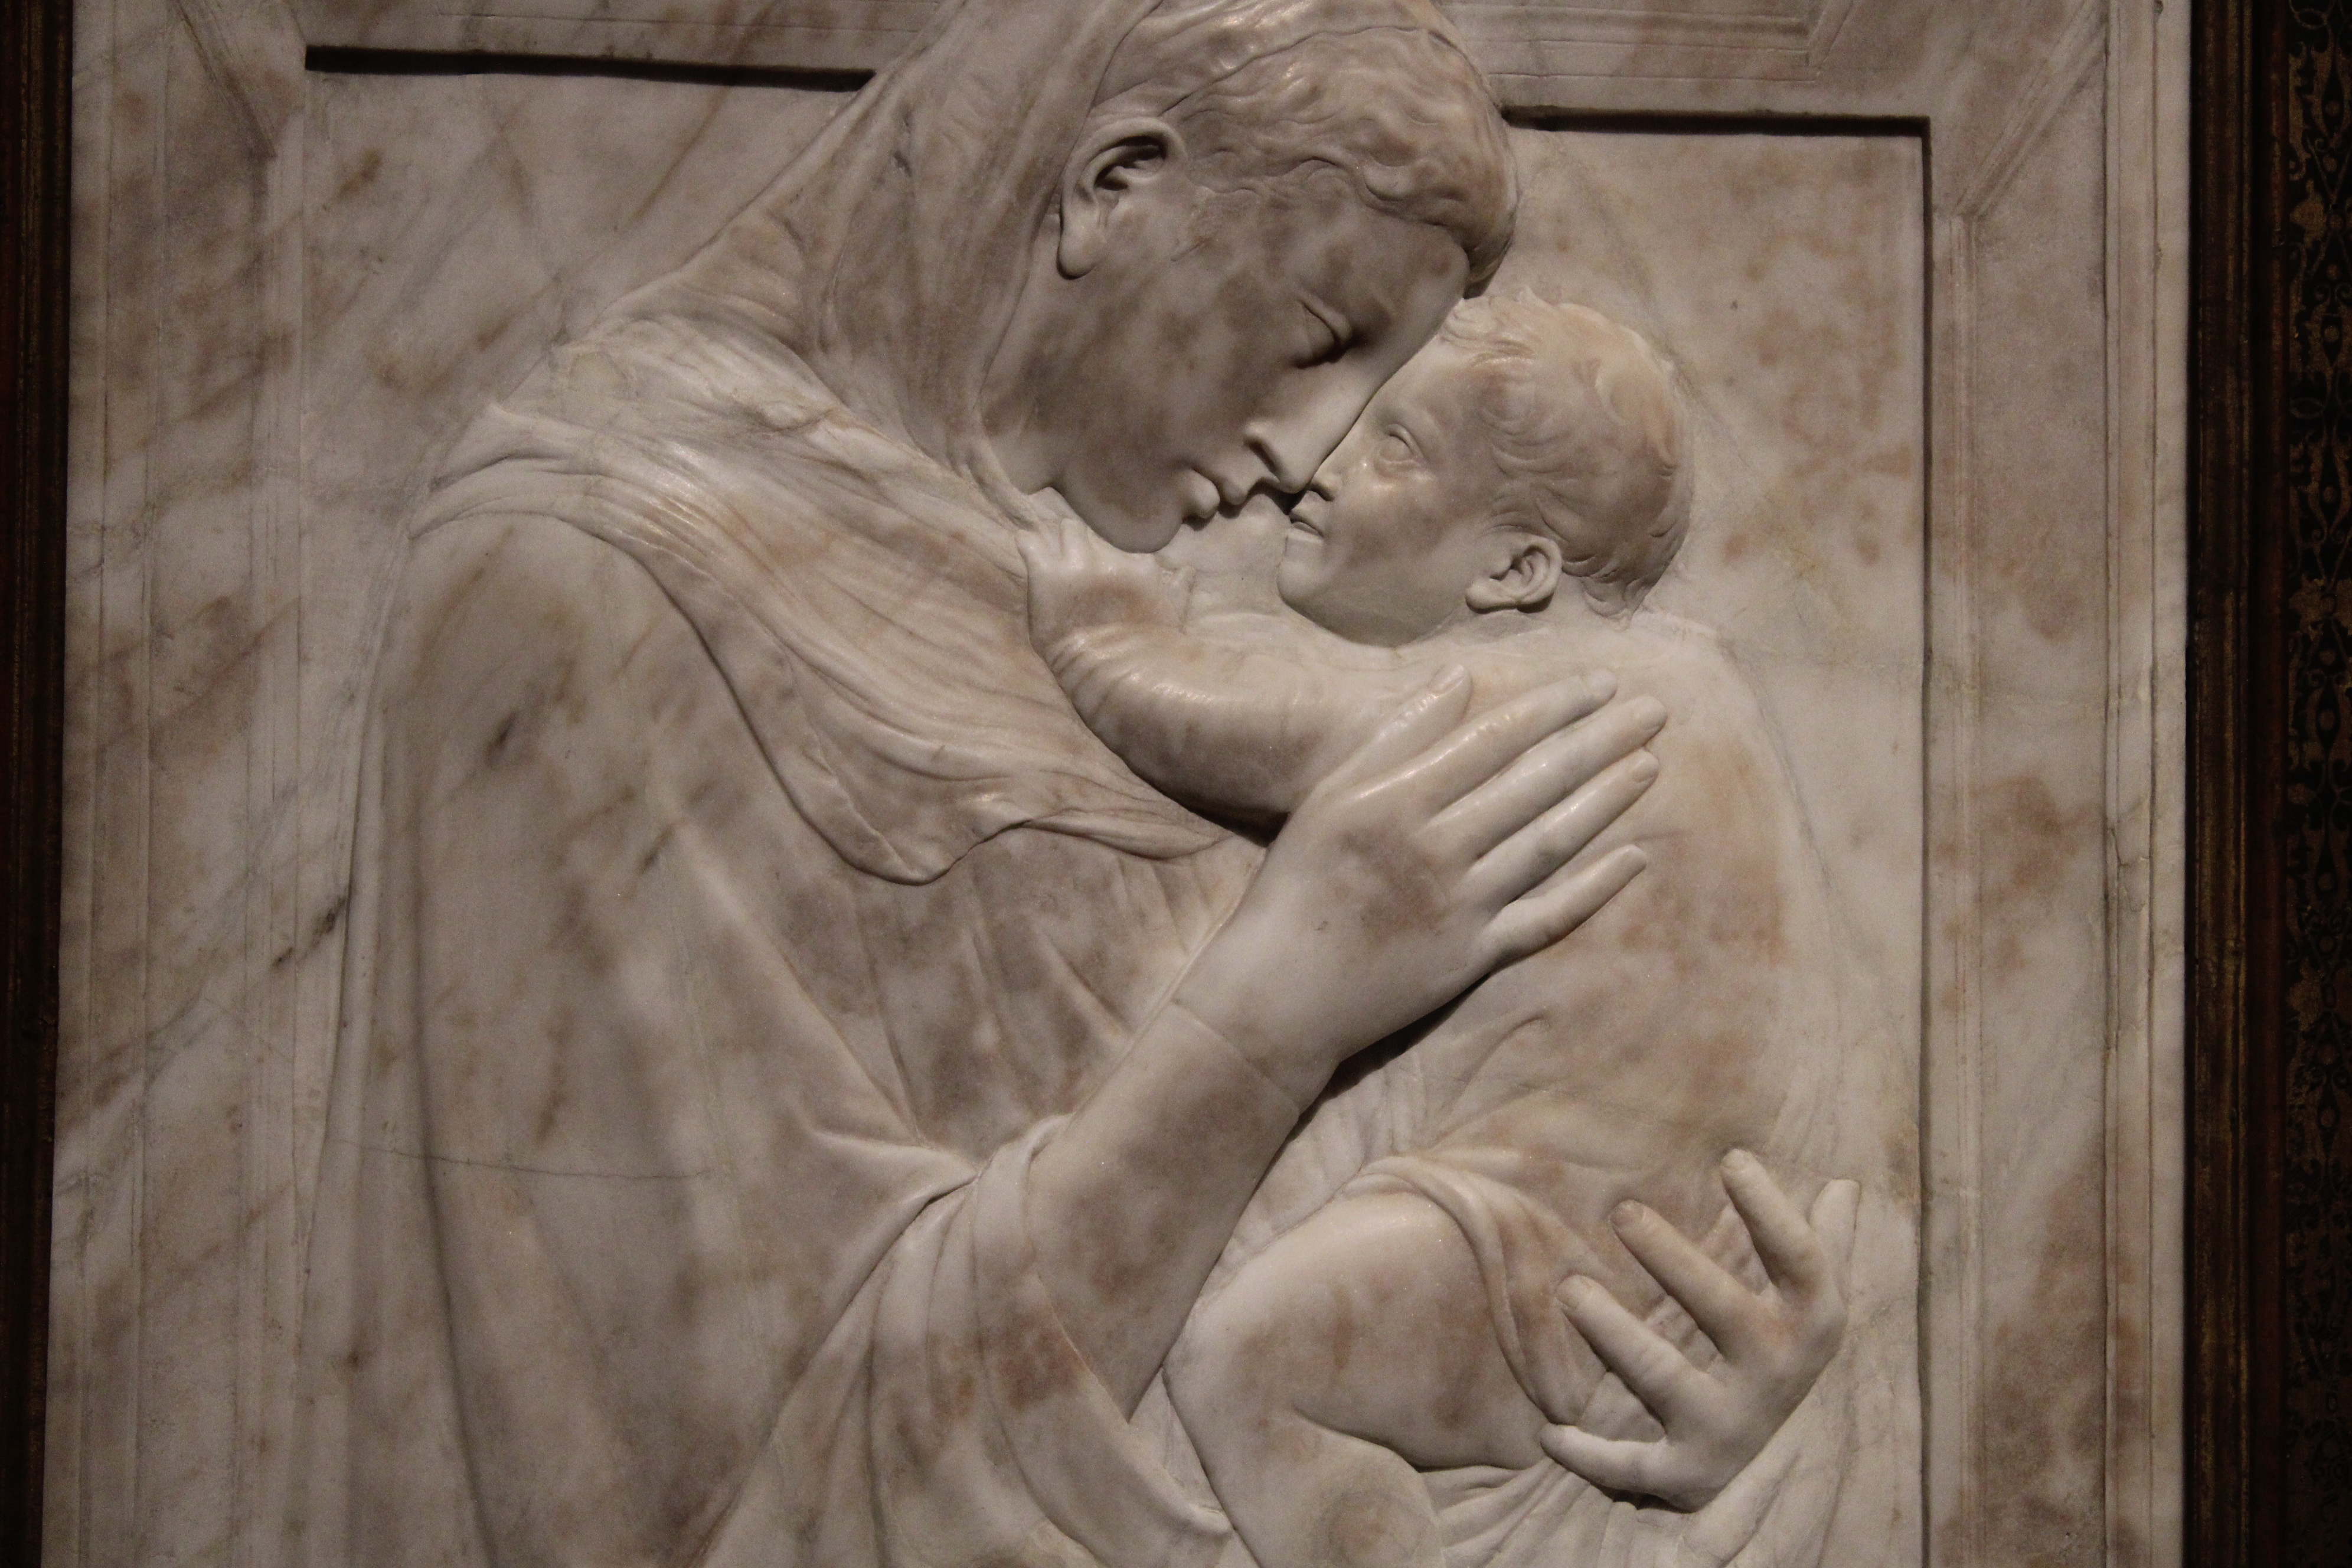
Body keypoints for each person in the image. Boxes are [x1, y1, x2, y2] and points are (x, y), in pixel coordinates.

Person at [290, 4, 1854, 1566]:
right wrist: (1274, 1008)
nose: (1313, 453)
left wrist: (1653, 1389)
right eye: (1321, 337)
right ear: (1115, 186)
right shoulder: (578, 593)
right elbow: (697, 1468)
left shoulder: (1130, 612)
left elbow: (1542, 1136)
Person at [1021, 293, 1862, 1568]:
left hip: (1560, 1233)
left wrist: (1096, 636)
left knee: (1252, 1360)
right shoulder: (1700, 682)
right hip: (1670, 1231)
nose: (1324, 461)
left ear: (1515, 572)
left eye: (1396, 447)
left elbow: (1232, 726)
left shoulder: (1536, 698)